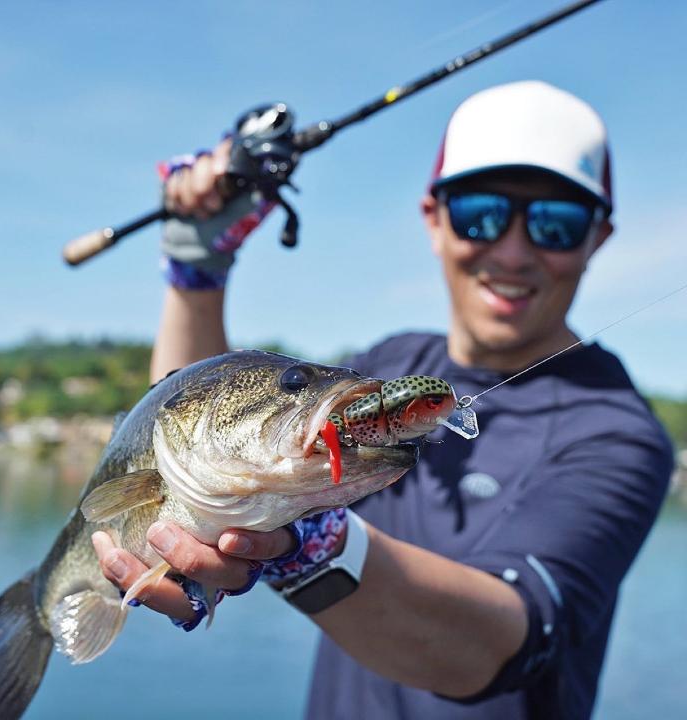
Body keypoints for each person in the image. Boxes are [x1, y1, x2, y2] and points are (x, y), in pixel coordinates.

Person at [91, 80, 673, 718]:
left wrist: (309, 543)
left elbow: (494, 644)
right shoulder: (395, 362)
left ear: (599, 238)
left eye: (555, 225)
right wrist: (197, 268)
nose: (512, 251)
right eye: (480, 212)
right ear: (434, 220)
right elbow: (191, 432)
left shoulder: (617, 435)